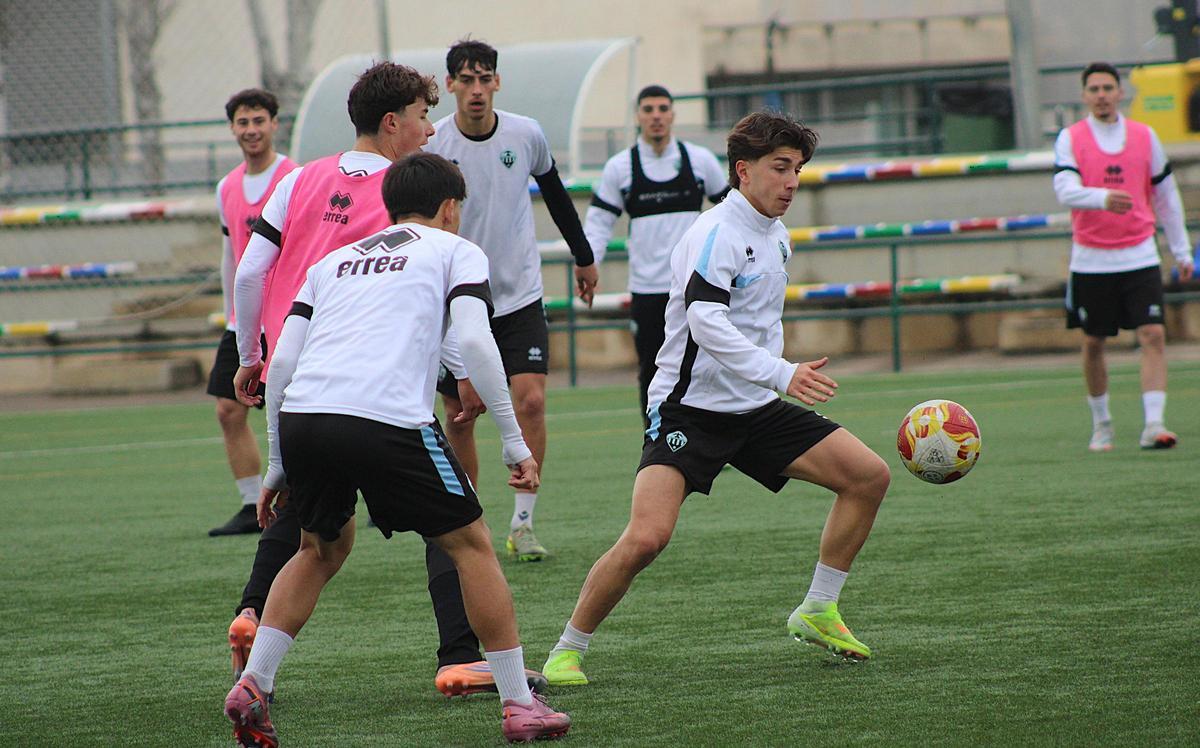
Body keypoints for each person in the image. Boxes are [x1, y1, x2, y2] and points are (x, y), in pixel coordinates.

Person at [223, 152, 571, 747]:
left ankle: (255, 682)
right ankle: (519, 704)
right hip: (387, 419)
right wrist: (514, 442)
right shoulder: (456, 250)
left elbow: (281, 363)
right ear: (450, 207)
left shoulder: (332, 263)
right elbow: (475, 341)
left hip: (306, 416)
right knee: (471, 544)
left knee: (318, 550)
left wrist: (277, 464)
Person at [539, 112, 892, 686]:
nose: (791, 182)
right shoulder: (715, 234)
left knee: (868, 477)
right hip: (689, 411)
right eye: (780, 168)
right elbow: (706, 324)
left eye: (797, 170)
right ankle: (565, 650)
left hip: (754, 409)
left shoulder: (776, 235)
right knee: (647, 538)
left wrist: (773, 377)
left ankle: (818, 608)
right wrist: (782, 374)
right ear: (742, 171)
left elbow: (756, 324)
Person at [425, 39, 597, 562]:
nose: (476, 90)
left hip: (519, 294)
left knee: (532, 402)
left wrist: (584, 256)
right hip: (457, 300)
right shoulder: (435, 143)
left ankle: (523, 523)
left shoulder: (526, 134)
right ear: (450, 85)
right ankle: (469, 520)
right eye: (466, 80)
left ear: (497, 82)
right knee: (460, 413)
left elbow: (557, 194)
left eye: (485, 79)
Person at [1053, 62, 1194, 452]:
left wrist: (1181, 249)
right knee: (1093, 342)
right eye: (1094, 89)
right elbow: (1064, 189)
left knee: (1153, 334)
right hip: (1091, 258)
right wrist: (1101, 197)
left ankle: (1154, 424)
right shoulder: (1071, 138)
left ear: (1120, 93)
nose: (1101, 95)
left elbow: (1166, 196)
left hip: (1139, 254)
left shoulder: (1145, 137)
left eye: (1107, 88)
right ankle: (1102, 423)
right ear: (1084, 96)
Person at [584, 84, 729, 427]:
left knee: (706, 366)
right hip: (648, 290)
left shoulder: (700, 161)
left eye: (663, 109)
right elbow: (599, 223)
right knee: (652, 369)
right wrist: (589, 265)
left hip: (697, 286)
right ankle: (656, 439)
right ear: (638, 116)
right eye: (648, 110)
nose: (656, 116)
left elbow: (733, 211)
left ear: (673, 114)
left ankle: (704, 439)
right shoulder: (620, 167)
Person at [207, 88, 298, 537]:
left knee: (296, 410)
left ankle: (304, 497)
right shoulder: (226, 187)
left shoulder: (293, 177)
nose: (251, 130)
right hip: (243, 318)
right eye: (243, 122)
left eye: (259, 120)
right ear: (232, 129)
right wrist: (232, 314)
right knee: (229, 408)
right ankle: (249, 504)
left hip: (285, 314)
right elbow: (232, 256)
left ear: (274, 124)